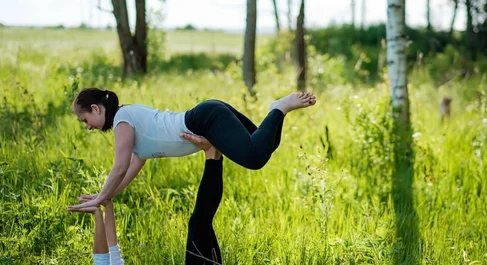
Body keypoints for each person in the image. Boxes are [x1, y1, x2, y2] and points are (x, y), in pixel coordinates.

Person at [68, 88, 316, 211]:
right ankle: (277, 109)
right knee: (268, 143)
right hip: (208, 113)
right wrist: (108, 196)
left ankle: (278, 108)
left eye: (85, 120)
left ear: (96, 108)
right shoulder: (128, 123)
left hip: (205, 119)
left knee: (254, 157)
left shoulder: (123, 119)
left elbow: (119, 165)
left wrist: (100, 197)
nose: (87, 127)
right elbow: (132, 166)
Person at [52, 138, 227, 265]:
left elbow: (111, 247)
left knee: (202, 223)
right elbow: (101, 259)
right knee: (199, 223)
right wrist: (97, 215)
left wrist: (108, 205)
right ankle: (213, 157)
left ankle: (214, 156)